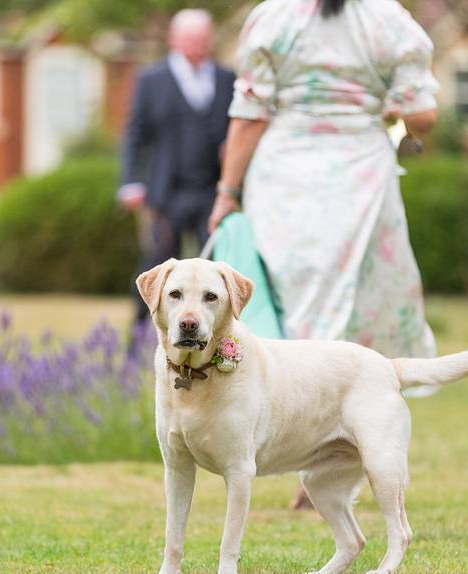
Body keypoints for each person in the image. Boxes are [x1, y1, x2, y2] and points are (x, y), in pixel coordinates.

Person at [207, 0, 440, 508]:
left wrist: (227, 192)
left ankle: (312, 455)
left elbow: (249, 115)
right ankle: (342, 448)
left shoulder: (274, 19)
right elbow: (422, 113)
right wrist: (385, 114)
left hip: (285, 180)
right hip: (361, 175)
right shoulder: (387, 20)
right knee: (353, 306)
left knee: (292, 306)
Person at [119, 9, 235, 328]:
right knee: (156, 268)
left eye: (201, 38)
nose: (195, 44)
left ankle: (217, 338)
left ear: (209, 40)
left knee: (215, 270)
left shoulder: (227, 79)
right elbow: (135, 133)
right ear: (174, 40)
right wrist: (131, 182)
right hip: (166, 193)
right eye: (188, 38)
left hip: (211, 192)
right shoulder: (152, 79)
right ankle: (137, 336)